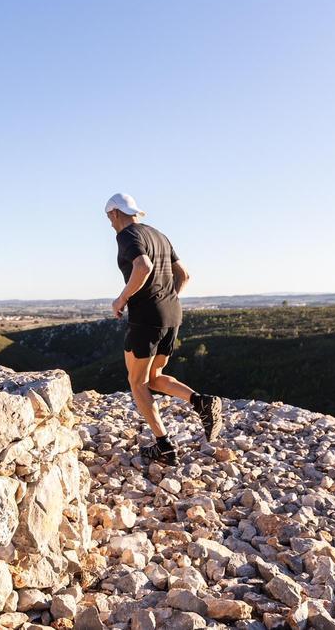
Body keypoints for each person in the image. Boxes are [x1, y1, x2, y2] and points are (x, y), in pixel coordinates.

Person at [105, 192, 223, 466]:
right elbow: (185, 274)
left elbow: (143, 266)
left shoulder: (126, 235)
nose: (110, 223)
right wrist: (167, 299)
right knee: (153, 376)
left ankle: (164, 446)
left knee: (137, 382)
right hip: (172, 313)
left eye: (109, 217)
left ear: (115, 213)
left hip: (146, 317)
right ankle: (201, 402)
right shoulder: (159, 235)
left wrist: (121, 299)